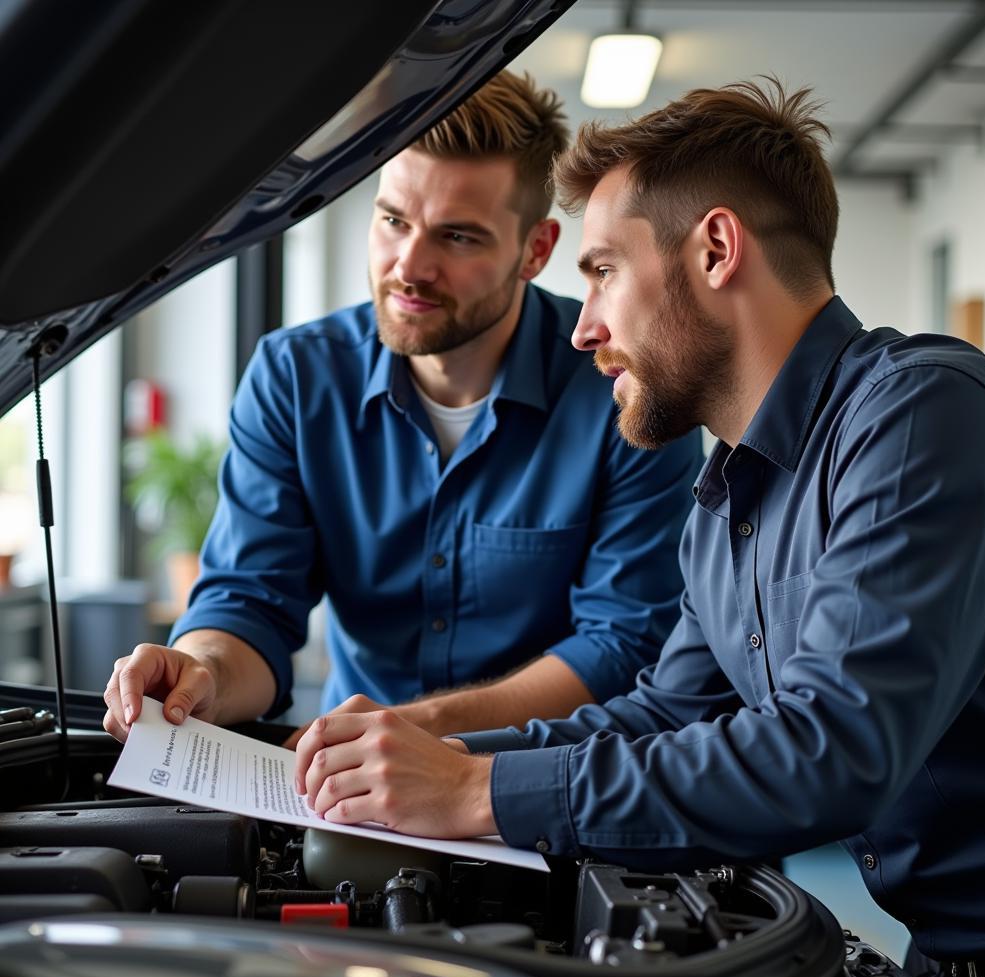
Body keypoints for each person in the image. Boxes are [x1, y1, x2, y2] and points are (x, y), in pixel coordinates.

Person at [293, 78, 985, 977]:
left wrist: (479, 792)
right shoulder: (724, 504)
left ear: (716, 249)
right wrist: (420, 752)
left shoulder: (922, 415)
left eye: (602, 271)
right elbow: (660, 714)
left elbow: (833, 751)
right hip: (947, 968)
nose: (585, 326)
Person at [102, 71, 702, 745]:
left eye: (458, 237)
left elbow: (623, 643)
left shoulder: (622, 389)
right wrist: (201, 670)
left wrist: (423, 730)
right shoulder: (295, 377)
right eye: (393, 220)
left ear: (534, 250)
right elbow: (250, 601)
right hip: (349, 779)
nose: (409, 267)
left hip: (546, 781)